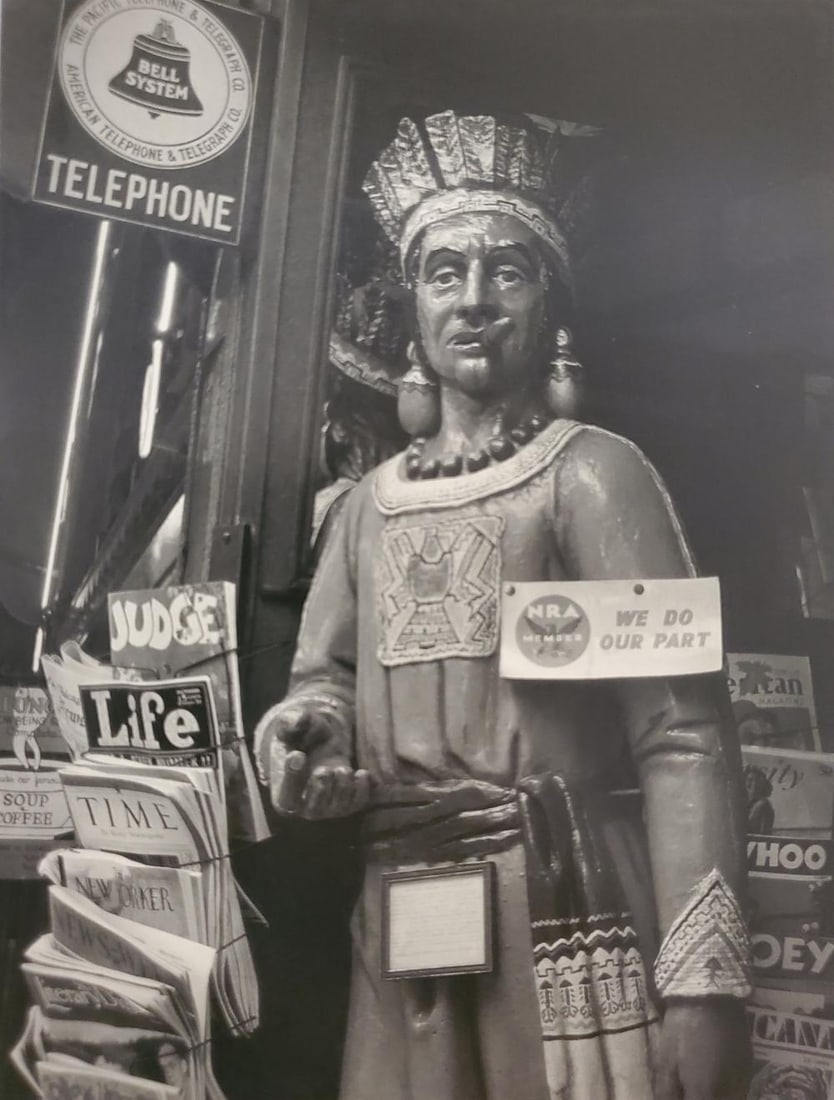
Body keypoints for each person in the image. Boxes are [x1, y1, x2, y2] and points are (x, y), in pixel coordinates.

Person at [255, 111, 751, 1100]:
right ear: (415, 306)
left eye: (507, 271)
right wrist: (306, 729)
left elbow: (682, 728)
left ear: (547, 305)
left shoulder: (594, 475)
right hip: (400, 903)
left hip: (561, 899)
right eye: (446, 272)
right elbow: (329, 675)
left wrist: (702, 979)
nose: (474, 300)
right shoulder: (366, 505)